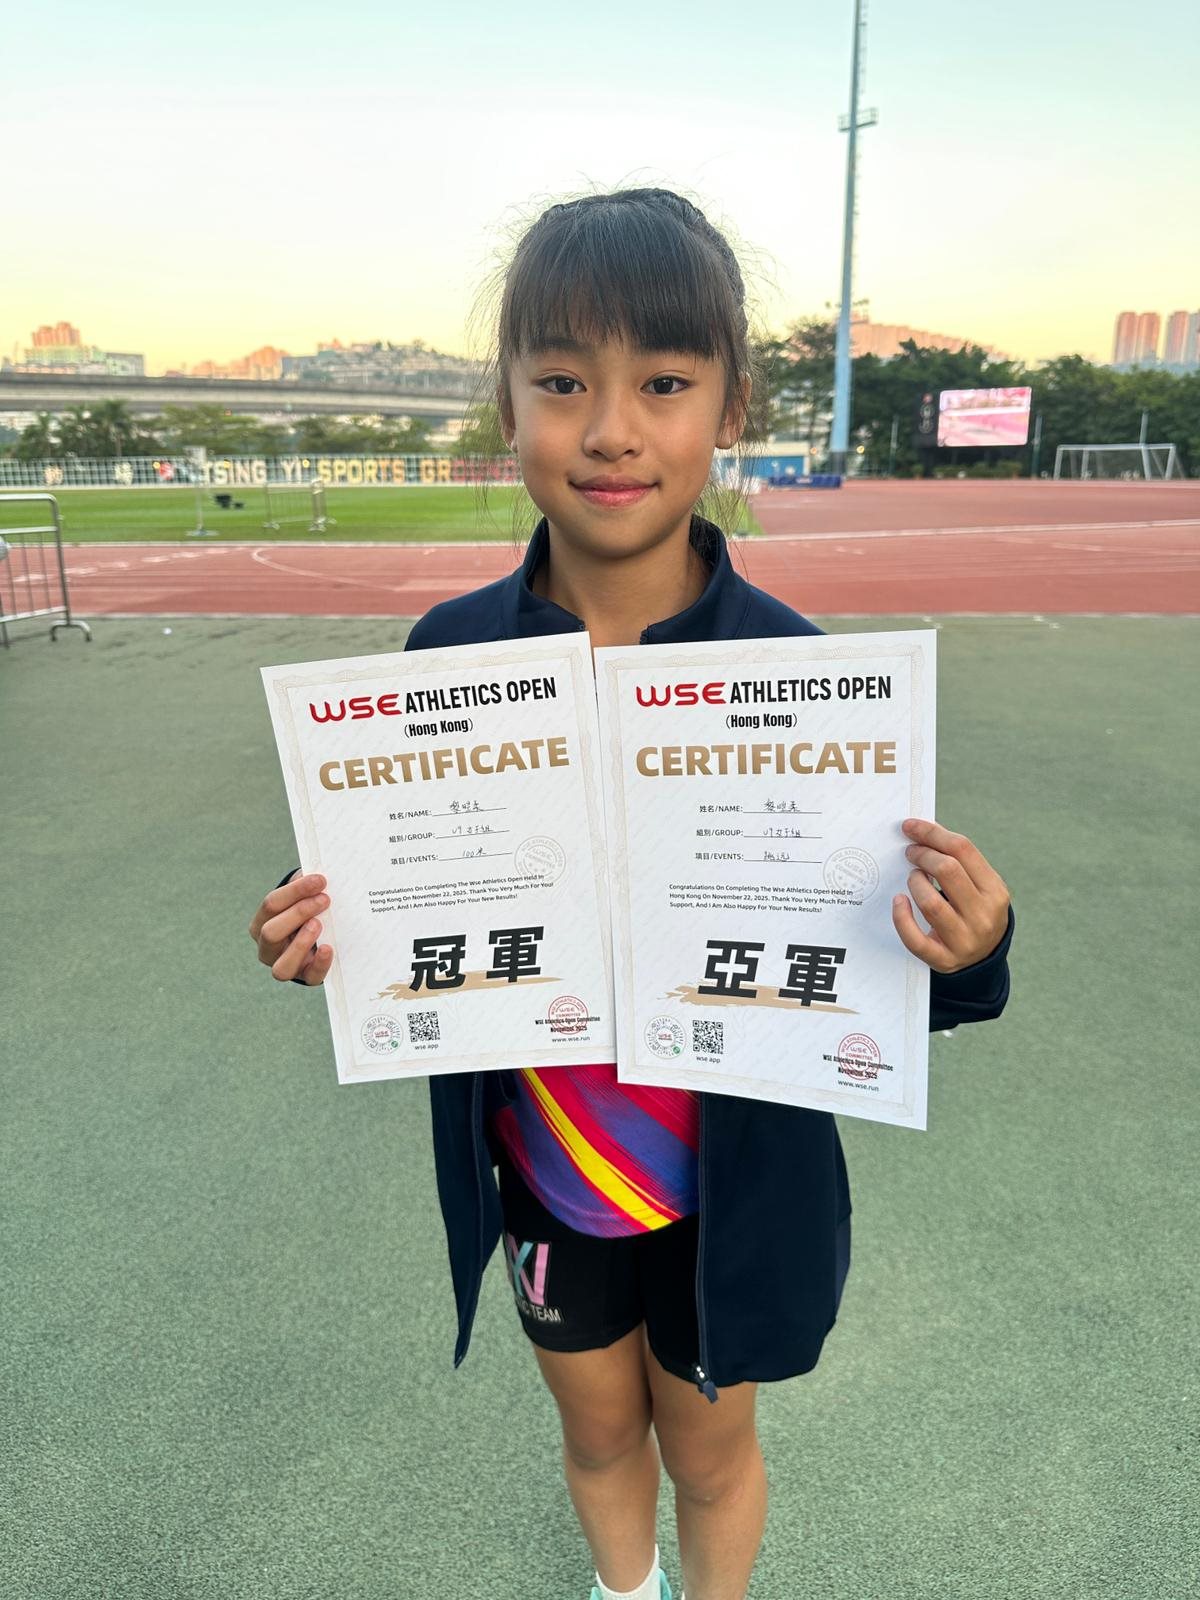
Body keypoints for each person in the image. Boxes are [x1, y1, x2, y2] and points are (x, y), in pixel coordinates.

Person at [249, 188, 1014, 1600]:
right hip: (549, 1169)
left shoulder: (802, 678)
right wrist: (319, 929)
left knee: (711, 1456)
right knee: (600, 1436)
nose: (611, 429)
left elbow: (880, 959)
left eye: (663, 383)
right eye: (562, 382)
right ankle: (624, 1589)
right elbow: (393, 881)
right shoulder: (449, 655)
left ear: (732, 406)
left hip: (730, 1188)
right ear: (507, 403)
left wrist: (970, 946)